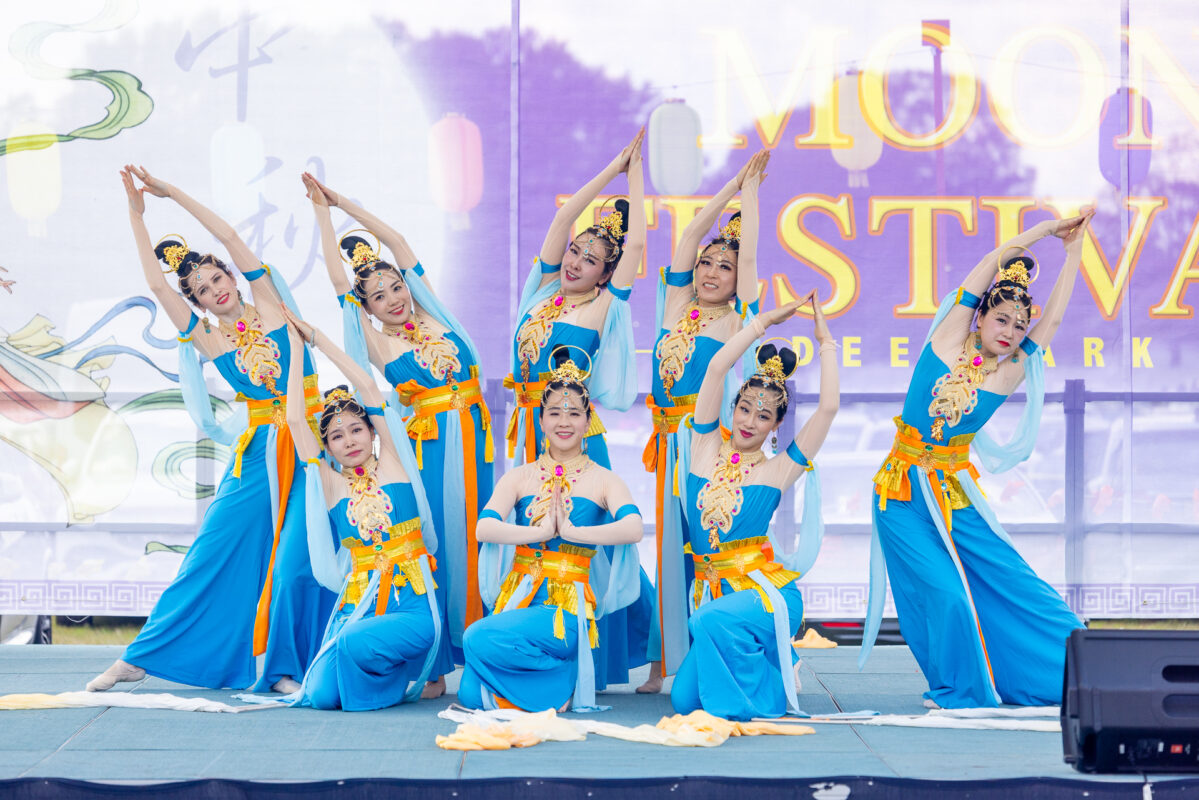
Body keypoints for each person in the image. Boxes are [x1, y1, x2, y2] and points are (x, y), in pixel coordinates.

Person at [88, 166, 332, 693]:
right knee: (210, 552)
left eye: (217, 278)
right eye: (200, 289)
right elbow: (155, 282)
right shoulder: (208, 341)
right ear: (196, 302)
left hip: (314, 445)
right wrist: (137, 214)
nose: (213, 290)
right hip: (261, 452)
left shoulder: (271, 305)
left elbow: (228, 236)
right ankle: (140, 657)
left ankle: (285, 667)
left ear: (231, 276)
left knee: (297, 561)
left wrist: (172, 191)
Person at [861, 212, 1093, 709]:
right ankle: (959, 689)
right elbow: (990, 263)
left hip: (952, 491)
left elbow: (1051, 320)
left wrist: (1074, 252)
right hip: (900, 493)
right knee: (944, 594)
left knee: (1010, 577)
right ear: (980, 317)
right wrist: (1045, 234)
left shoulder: (1008, 372)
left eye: (1018, 325)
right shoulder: (945, 342)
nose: (1010, 331)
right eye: (1001, 319)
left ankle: (1083, 660)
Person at [300, 172, 491, 698]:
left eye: (395, 287)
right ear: (369, 308)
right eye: (379, 296)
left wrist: (344, 200)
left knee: (481, 540)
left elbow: (400, 244)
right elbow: (342, 288)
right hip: (429, 445)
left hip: (475, 441)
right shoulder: (375, 341)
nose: (393, 299)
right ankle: (434, 666)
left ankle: (479, 654)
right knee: (443, 547)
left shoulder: (435, 312)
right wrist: (321, 213)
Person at [506, 129, 649, 689]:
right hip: (528, 433)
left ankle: (598, 658)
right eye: (575, 252)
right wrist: (612, 166)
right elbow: (563, 218)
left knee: (581, 538)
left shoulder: (604, 307)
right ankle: (528, 642)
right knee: (533, 532)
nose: (576, 261)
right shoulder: (540, 289)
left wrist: (635, 177)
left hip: (575, 435)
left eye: (591, 260)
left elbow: (634, 248)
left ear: (604, 273)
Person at [670, 295, 839, 721]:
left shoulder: (779, 470)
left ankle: (771, 688)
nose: (749, 421)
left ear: (776, 426)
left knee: (708, 621)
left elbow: (829, 408)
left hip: (765, 595)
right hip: (713, 594)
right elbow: (714, 368)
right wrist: (761, 322)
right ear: (733, 408)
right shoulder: (703, 446)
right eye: (744, 408)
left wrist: (825, 342)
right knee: (684, 702)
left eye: (762, 416)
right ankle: (777, 667)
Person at [641, 150, 769, 692]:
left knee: (705, 547)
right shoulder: (676, 305)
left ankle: (711, 651)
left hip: (705, 447)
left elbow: (753, 256)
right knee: (671, 550)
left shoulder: (737, 316)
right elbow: (691, 232)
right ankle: (664, 662)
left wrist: (752, 196)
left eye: (726, 267)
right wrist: (729, 187)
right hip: (667, 442)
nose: (713, 272)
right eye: (708, 264)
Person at [459, 350, 643, 712]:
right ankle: (561, 680)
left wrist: (575, 534)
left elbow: (633, 527)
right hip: (519, 597)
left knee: (477, 637)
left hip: (567, 608)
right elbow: (485, 527)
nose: (564, 422)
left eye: (574, 413)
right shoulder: (520, 476)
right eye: (555, 413)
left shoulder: (603, 479)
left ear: (588, 421)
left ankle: (557, 683)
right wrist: (538, 532)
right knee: (469, 694)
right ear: (541, 420)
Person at [275, 312, 441, 710]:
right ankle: (371, 678)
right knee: (319, 697)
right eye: (335, 436)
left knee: (353, 643)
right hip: (358, 603)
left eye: (355, 429)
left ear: (371, 431)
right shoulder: (329, 485)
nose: (348, 440)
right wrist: (297, 351)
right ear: (327, 448)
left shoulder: (394, 465)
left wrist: (317, 337)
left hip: (413, 603)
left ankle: (398, 676)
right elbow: (296, 418)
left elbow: (367, 385)